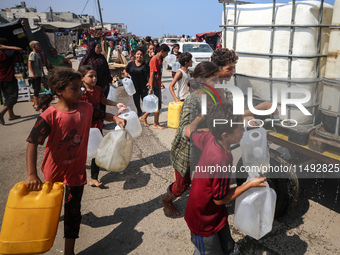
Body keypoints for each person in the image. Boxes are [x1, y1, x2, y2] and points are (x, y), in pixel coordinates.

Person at [25, 69, 126, 255]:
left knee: (73, 211)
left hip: (76, 171)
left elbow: (100, 114)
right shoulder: (49, 115)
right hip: (53, 171)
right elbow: (32, 143)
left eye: (80, 87)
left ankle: (69, 251)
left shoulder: (86, 108)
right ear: (59, 91)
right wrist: (32, 174)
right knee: (50, 209)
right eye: (75, 88)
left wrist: (115, 118)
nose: (81, 91)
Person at [184, 103, 266, 255]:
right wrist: (249, 184)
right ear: (225, 135)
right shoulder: (222, 160)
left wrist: (198, 119)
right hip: (202, 220)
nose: (244, 130)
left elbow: (189, 131)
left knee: (229, 247)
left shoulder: (209, 137)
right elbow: (220, 199)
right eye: (240, 128)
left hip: (215, 214)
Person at [162, 61, 220, 216]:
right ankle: (166, 201)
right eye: (214, 79)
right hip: (186, 151)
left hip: (203, 149)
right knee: (182, 185)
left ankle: (209, 202)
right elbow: (185, 131)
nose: (218, 83)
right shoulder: (192, 99)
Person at [79, 65, 126, 187]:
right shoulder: (79, 92)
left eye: (95, 76)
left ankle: (93, 178)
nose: (94, 78)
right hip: (82, 126)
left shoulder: (98, 89)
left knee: (97, 151)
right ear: (82, 78)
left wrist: (117, 104)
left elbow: (104, 101)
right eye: (91, 76)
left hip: (97, 124)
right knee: (80, 151)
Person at [211, 48, 273, 117]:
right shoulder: (215, 86)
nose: (233, 72)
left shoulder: (217, 83)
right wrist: (260, 107)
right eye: (229, 69)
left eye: (233, 68)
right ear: (217, 68)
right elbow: (231, 115)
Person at [140, 44, 170, 129]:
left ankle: (144, 117)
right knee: (157, 105)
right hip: (154, 85)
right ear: (162, 51)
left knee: (154, 104)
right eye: (166, 53)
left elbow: (158, 74)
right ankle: (155, 124)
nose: (166, 55)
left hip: (157, 83)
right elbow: (152, 74)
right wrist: (151, 87)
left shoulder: (160, 59)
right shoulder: (154, 60)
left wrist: (160, 83)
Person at [79, 42, 112, 111]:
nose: (100, 49)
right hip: (91, 84)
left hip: (103, 84)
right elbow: (81, 70)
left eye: (100, 47)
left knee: (103, 101)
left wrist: (109, 79)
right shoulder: (87, 58)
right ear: (92, 48)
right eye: (98, 47)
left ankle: (101, 119)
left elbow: (106, 68)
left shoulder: (101, 57)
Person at [0, 38, 23, 125]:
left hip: (1, 79)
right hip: (8, 78)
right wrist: (5, 47)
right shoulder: (7, 53)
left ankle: (11, 115)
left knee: (7, 97)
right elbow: (19, 49)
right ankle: (1, 113)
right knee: (13, 97)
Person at [124, 49, 149, 118]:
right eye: (138, 54)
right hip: (133, 85)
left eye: (141, 54)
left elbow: (149, 75)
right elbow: (125, 70)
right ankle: (139, 111)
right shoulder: (131, 64)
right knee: (136, 98)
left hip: (143, 85)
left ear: (143, 56)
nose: (139, 56)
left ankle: (146, 112)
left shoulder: (145, 65)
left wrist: (149, 83)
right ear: (135, 55)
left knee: (144, 99)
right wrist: (126, 73)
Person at [28, 40, 45, 110]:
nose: (40, 46)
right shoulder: (32, 54)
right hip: (35, 74)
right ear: (34, 46)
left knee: (38, 88)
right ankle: (36, 103)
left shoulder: (38, 54)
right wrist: (33, 73)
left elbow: (43, 62)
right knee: (36, 88)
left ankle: (35, 102)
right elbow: (30, 64)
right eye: (38, 45)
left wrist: (42, 54)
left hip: (39, 73)